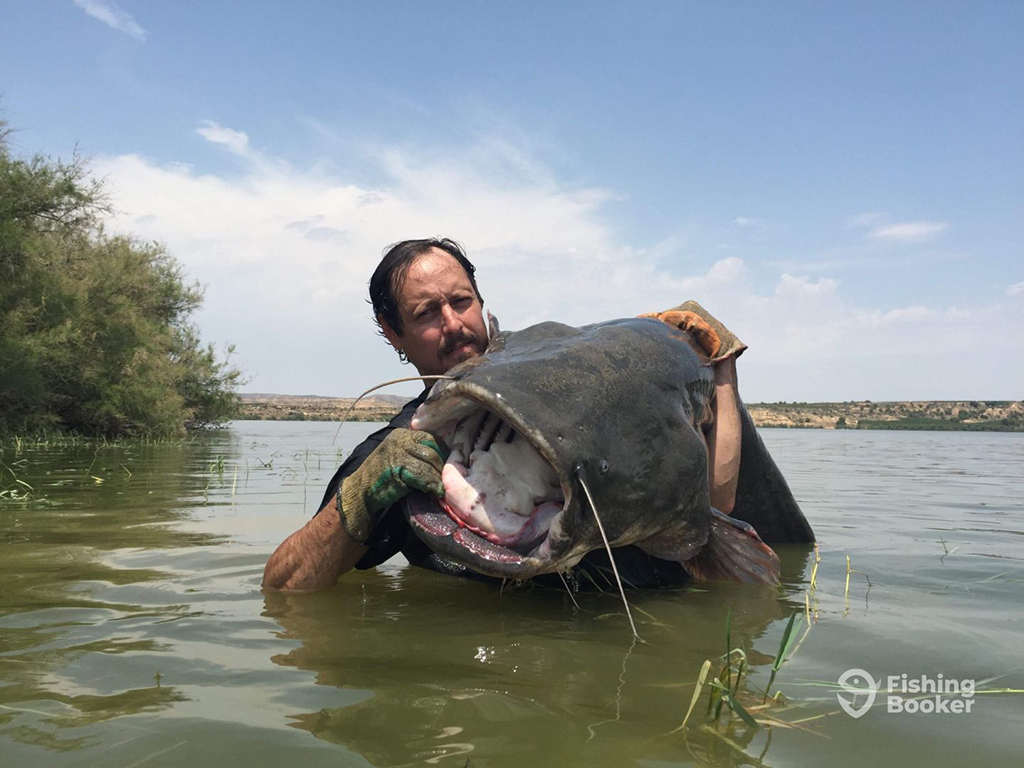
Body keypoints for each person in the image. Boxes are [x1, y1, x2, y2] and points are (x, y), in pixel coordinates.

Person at [262, 238, 744, 592]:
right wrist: (367, 489)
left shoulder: (575, 373)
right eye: (427, 313)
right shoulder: (401, 448)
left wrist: (721, 371)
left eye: (460, 301)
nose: (453, 324)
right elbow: (283, 587)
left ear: (481, 302)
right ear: (393, 333)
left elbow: (712, 514)